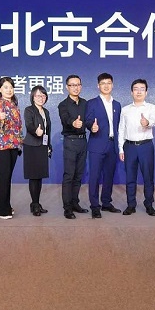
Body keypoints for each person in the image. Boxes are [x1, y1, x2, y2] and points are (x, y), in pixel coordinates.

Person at [118, 79, 155, 216]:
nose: (139, 91)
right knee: (130, 178)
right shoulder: (125, 110)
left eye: (142, 89)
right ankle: (131, 205)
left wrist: (147, 122)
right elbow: (121, 130)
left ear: (146, 92)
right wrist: (121, 148)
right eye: (136, 89)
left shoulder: (151, 108)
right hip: (129, 147)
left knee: (148, 178)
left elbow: (154, 121)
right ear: (131, 92)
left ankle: (149, 205)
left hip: (145, 146)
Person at [85, 72, 122, 219]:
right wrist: (91, 127)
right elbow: (88, 120)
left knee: (109, 176)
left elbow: (119, 126)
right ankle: (95, 206)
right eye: (103, 83)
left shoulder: (117, 105)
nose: (106, 86)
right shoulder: (92, 103)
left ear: (112, 85)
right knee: (94, 176)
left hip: (112, 145)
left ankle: (106, 202)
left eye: (108, 83)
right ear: (98, 86)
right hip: (97, 144)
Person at [0, 77, 23, 220]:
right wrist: (0, 118)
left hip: (13, 144)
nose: (9, 90)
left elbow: (18, 126)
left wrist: (20, 142)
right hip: (1, 145)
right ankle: (1, 210)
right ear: (0, 89)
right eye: (6, 87)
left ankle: (7, 205)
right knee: (4, 174)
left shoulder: (14, 104)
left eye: (11, 87)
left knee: (8, 175)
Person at [58, 75, 89, 220]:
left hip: (83, 141)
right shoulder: (63, 105)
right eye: (72, 85)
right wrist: (73, 123)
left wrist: (92, 126)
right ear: (67, 87)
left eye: (78, 85)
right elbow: (65, 118)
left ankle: (75, 203)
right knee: (69, 175)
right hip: (70, 141)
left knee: (78, 175)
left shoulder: (85, 103)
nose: (75, 88)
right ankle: (67, 208)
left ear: (81, 86)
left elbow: (88, 120)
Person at [23, 86, 52, 217]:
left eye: (43, 96)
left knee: (39, 176)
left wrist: (49, 145)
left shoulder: (46, 111)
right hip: (32, 146)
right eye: (38, 95)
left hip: (42, 146)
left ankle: (37, 203)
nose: (41, 98)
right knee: (33, 176)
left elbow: (48, 130)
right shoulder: (29, 110)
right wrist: (36, 131)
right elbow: (29, 125)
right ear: (33, 97)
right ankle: (34, 204)